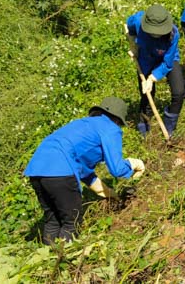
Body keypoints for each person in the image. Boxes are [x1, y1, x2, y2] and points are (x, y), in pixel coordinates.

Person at [24, 97, 145, 245]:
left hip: (36, 170)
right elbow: (117, 169)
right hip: (61, 170)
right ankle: (62, 262)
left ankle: (47, 258)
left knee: (53, 220)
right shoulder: (110, 128)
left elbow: (82, 168)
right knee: (71, 222)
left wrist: (105, 192)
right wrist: (133, 164)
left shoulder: (83, 124)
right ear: (118, 119)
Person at [125, 4, 183, 137]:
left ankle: (169, 127)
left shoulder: (173, 34)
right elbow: (129, 25)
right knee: (146, 93)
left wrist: (153, 78)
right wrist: (133, 43)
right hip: (146, 59)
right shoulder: (139, 21)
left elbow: (167, 62)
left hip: (167, 59)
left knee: (179, 92)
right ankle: (144, 124)